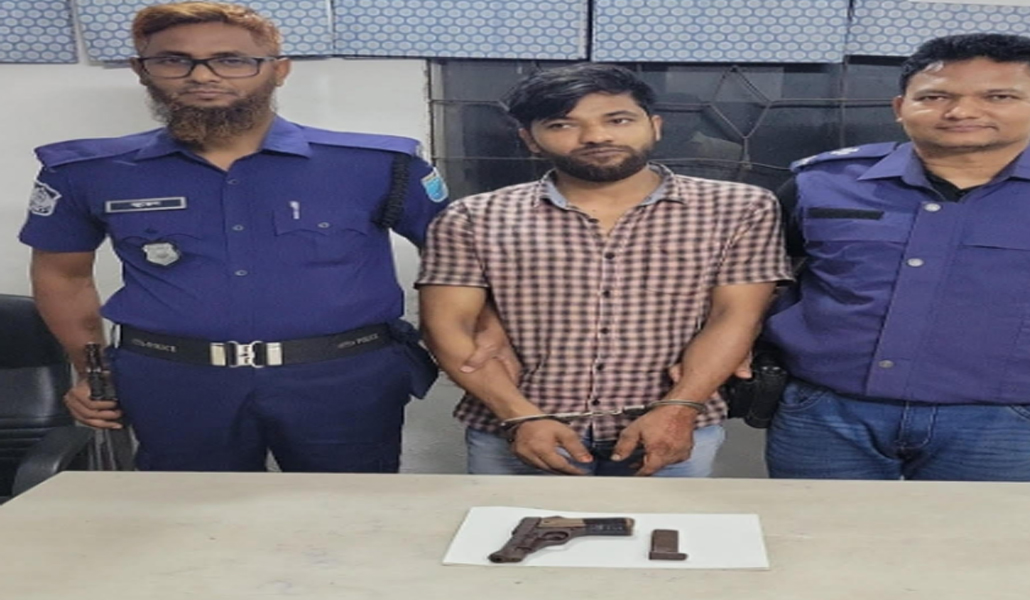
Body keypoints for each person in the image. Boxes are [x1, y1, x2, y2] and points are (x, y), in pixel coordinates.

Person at [19, 1, 448, 473]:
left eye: (231, 60)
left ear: (278, 70)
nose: (202, 76)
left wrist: (452, 349)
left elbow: (454, 263)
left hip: (344, 379)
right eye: (174, 60)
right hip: (174, 383)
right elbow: (63, 277)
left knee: (346, 507)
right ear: (141, 70)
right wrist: (92, 373)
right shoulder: (86, 172)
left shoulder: (379, 165)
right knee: (188, 511)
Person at [764, 33, 1030, 482]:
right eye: (935, 97)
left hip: (1005, 420)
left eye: (999, 96)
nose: (961, 112)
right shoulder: (823, 183)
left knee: (978, 529)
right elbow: (759, 281)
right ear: (900, 107)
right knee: (817, 525)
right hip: (828, 411)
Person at [418, 63, 792, 477]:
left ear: (654, 126)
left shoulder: (739, 209)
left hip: (668, 426)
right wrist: (520, 416)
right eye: (562, 125)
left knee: (664, 521)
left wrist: (680, 407)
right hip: (517, 429)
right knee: (511, 520)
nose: (596, 136)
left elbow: (736, 315)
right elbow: (446, 325)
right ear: (530, 140)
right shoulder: (473, 218)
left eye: (618, 120)